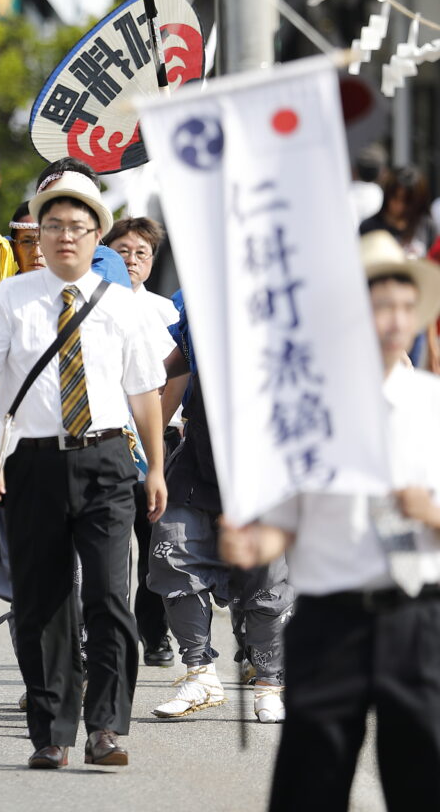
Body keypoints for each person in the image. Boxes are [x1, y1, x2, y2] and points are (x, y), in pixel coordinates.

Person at [221, 231, 440, 812]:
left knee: (424, 781)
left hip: (417, 621)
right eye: (379, 306)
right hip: (329, 622)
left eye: (403, 306)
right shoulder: (308, 412)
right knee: (310, 784)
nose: (394, 320)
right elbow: (282, 529)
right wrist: (249, 544)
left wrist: (431, 514)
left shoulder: (432, 404)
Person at [0, 167, 167, 770]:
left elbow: (146, 392)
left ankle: (107, 727)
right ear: (38, 236)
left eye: (77, 227)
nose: (64, 237)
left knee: (108, 596)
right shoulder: (11, 297)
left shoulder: (123, 306)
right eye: (53, 226)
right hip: (33, 464)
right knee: (43, 601)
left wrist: (154, 468)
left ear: (97, 235)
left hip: (107, 460)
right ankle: (51, 731)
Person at [144, 292, 292, 724]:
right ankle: (200, 673)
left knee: (267, 576)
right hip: (200, 452)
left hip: (267, 461)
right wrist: (149, 454)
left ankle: (269, 681)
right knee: (171, 552)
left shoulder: (294, 292)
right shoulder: (199, 294)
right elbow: (169, 374)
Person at [102, 216, 178, 669]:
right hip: (107, 442)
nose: (131, 260)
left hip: (154, 444)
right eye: (123, 251)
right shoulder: (92, 305)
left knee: (155, 546)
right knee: (111, 552)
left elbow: (173, 383)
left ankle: (155, 634)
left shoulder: (167, 312)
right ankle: (108, 641)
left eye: (141, 253)